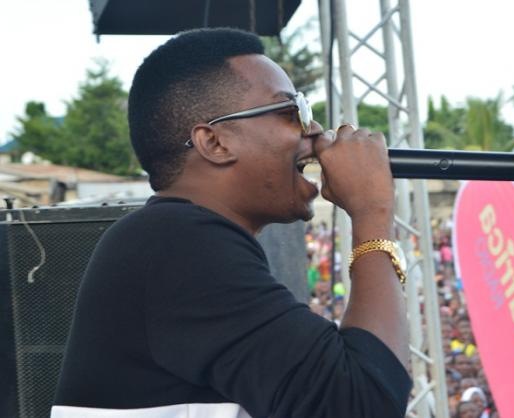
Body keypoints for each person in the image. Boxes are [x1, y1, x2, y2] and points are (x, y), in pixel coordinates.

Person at [51, 28, 411, 417]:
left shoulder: (172, 239)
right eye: (291, 112)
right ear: (215, 143)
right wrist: (371, 212)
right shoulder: (178, 244)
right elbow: (361, 404)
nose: (313, 131)